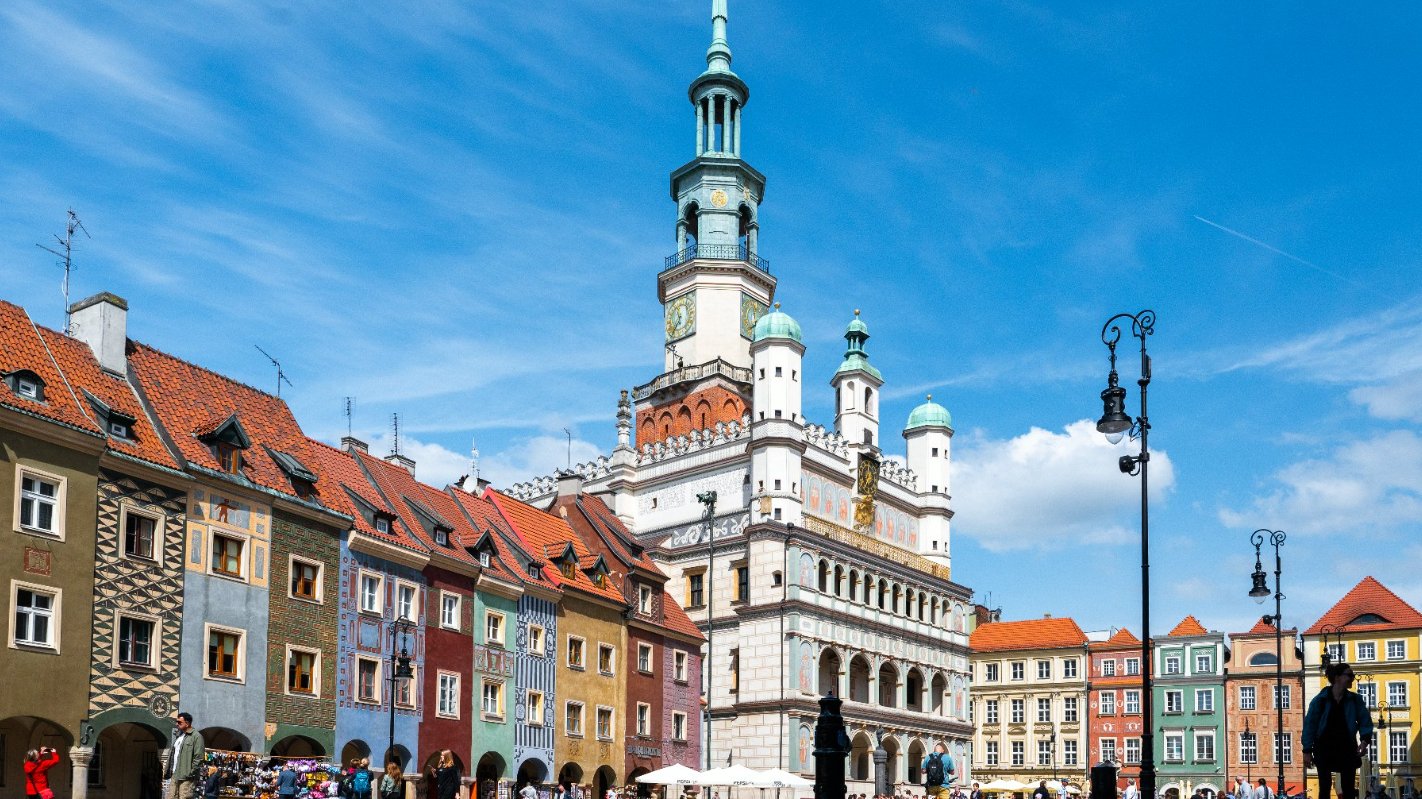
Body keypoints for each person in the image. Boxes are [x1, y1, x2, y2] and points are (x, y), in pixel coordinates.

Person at [1304, 662, 1375, 799]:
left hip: (1347, 747)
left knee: (1348, 787)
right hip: (1324, 748)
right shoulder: (1320, 700)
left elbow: (1365, 721)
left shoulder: (1355, 700)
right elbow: (1310, 726)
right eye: (1349, 675)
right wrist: (1307, 750)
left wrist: (1364, 741)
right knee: (1324, 787)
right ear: (1337, 677)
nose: (1352, 678)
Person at [166, 712, 206, 799]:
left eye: (179, 722)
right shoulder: (179, 736)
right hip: (175, 775)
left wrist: (190, 773)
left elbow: (199, 757)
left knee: (184, 797)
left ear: (187, 723)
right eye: (176, 722)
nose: (177, 724)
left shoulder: (196, 736)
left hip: (187, 777)